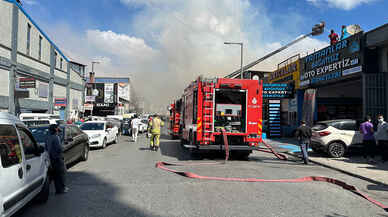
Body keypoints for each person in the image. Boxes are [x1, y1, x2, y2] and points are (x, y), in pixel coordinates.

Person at [46, 124, 68, 194]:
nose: (59, 129)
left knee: (56, 175)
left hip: (51, 158)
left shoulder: (48, 137)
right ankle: (61, 189)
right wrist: (63, 148)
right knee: (61, 174)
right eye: (57, 128)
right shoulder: (55, 137)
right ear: (55, 129)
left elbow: (47, 148)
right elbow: (59, 149)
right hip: (57, 158)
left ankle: (59, 189)